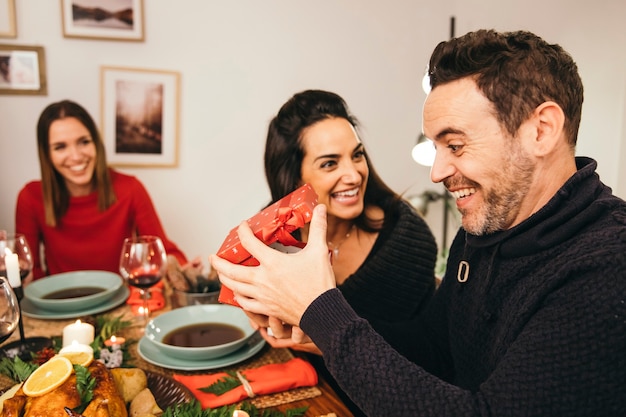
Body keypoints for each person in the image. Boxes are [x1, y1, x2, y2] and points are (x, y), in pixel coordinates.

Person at [210, 29, 626, 416]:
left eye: (455, 144)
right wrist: (319, 333)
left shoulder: (607, 267)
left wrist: (322, 313)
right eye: (435, 147)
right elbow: (432, 348)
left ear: (541, 130)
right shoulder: (482, 234)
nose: (438, 171)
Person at [260, 89, 438, 416]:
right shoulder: (274, 239)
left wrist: (331, 335)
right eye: (330, 163)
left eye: (357, 155)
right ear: (294, 177)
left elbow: (429, 351)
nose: (355, 174)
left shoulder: (405, 241)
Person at [16, 100, 188, 281]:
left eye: (84, 142)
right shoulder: (30, 197)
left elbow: (163, 251)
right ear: (47, 154)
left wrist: (183, 269)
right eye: (60, 147)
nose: (75, 156)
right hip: (59, 305)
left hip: (122, 302)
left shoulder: (130, 188)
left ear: (96, 143)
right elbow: (29, 269)